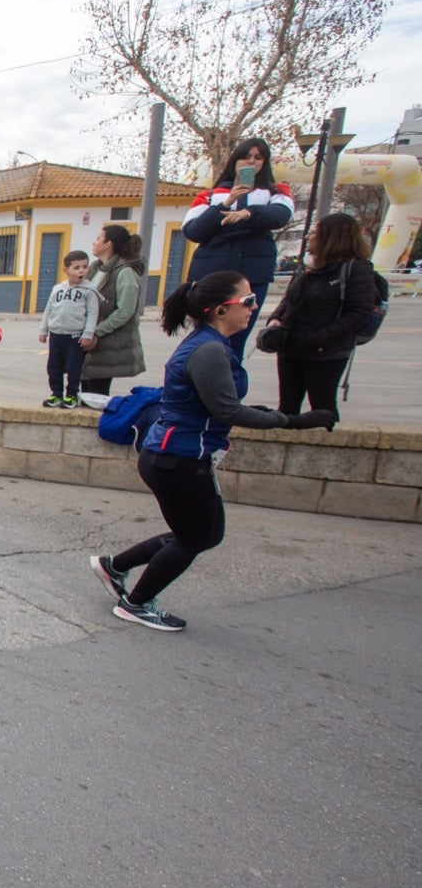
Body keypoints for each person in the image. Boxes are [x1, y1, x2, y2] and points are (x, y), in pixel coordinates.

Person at [90, 271, 334, 632]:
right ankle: (136, 603)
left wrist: (272, 415)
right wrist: (292, 421)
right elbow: (228, 410)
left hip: (177, 455)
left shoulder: (211, 345)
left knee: (202, 533)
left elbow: (217, 404)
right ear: (221, 309)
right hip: (177, 459)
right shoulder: (207, 349)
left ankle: (115, 566)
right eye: (248, 301)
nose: (254, 307)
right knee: (196, 536)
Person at [260, 212, 380, 421]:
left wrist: (320, 338)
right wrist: (275, 320)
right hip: (291, 345)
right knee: (286, 407)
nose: (308, 236)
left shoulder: (356, 269)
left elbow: (359, 312)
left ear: (331, 237)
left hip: (327, 351)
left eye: (314, 232)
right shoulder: (307, 265)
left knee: (322, 406)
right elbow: (289, 299)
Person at [182, 137, 294, 355]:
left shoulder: (275, 192)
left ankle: (229, 383)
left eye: (258, 157)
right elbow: (193, 231)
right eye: (246, 156)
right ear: (235, 160)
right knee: (205, 335)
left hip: (251, 275)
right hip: (212, 274)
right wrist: (225, 203)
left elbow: (280, 215)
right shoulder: (210, 195)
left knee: (237, 339)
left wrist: (250, 214)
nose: (251, 162)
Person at [79, 225, 147, 397]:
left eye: (98, 238)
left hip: (105, 343)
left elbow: (125, 311)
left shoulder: (126, 273)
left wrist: (96, 331)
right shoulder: (96, 268)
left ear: (108, 244)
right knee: (85, 392)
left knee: (97, 395)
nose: (94, 242)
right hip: (89, 342)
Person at [37, 250, 101, 408]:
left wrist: (88, 334)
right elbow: (49, 309)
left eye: (84, 267)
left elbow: (93, 314)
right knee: (53, 367)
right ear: (66, 270)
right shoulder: (57, 289)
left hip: (75, 336)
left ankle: (72, 394)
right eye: (76, 267)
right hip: (56, 335)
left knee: (74, 368)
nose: (81, 271)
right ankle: (56, 394)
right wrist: (43, 330)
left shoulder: (89, 291)